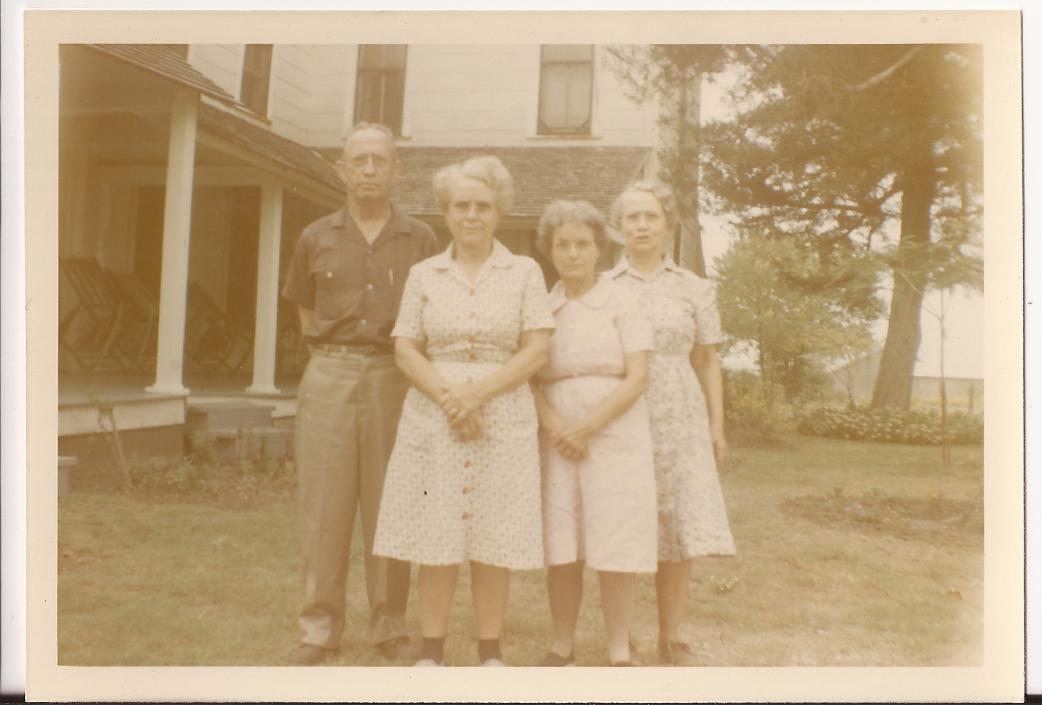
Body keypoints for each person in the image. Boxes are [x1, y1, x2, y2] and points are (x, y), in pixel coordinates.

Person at [372, 155, 554, 667]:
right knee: (438, 530)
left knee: (494, 532)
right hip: (434, 416)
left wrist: (478, 394)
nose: (471, 215)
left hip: (504, 414)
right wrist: (450, 397)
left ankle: (490, 650)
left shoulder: (523, 271)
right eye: (460, 206)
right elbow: (406, 346)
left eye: (482, 206)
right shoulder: (424, 273)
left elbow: (537, 348)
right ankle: (431, 649)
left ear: (499, 212)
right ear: (445, 213)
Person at [280, 123, 440, 665]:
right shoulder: (315, 236)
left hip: (394, 376)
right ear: (343, 169)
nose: (369, 170)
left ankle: (389, 625)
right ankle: (319, 627)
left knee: (389, 504)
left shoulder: (420, 239)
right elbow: (304, 308)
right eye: (359, 160)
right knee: (325, 507)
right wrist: (333, 359)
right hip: (330, 372)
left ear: (396, 169)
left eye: (380, 160)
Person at [606, 181, 736, 666]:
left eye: (651, 217)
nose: (641, 225)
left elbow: (707, 360)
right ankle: (624, 634)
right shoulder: (604, 288)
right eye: (632, 217)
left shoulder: (694, 287)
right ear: (618, 227)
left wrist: (716, 427)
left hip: (680, 414)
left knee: (678, 525)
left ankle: (671, 633)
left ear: (667, 224)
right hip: (623, 414)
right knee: (624, 522)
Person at [530, 201, 657, 667]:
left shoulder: (623, 301)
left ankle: (618, 648)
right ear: (549, 250)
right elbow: (529, 377)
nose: (572, 253)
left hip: (615, 432)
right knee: (563, 539)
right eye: (562, 244)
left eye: (582, 244)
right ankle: (561, 643)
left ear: (599, 248)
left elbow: (639, 376)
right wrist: (555, 425)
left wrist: (586, 426)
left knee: (616, 537)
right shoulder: (542, 306)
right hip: (557, 435)